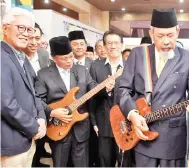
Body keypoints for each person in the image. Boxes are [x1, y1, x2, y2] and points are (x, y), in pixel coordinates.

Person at [118, 8, 189, 167]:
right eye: (160, 36)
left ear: (178, 31)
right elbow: (123, 89)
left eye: (170, 35)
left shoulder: (188, 58)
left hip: (173, 138)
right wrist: (132, 114)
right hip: (142, 133)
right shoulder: (138, 55)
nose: (166, 41)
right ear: (151, 33)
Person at [35, 36, 115, 167]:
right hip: (57, 127)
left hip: (80, 128)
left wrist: (106, 88)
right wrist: (52, 112)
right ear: (53, 58)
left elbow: (94, 88)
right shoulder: (43, 74)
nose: (69, 61)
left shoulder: (82, 70)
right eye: (64, 58)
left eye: (71, 56)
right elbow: (38, 99)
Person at [1, 7, 46, 167]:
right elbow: (6, 104)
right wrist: (34, 127)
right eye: (20, 28)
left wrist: (41, 118)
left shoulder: (22, 58)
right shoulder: (2, 56)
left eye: (29, 30)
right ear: (5, 28)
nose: (25, 33)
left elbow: (34, 93)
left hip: (26, 140)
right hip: (10, 142)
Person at [90, 30, 134, 167]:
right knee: (105, 160)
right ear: (103, 46)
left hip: (125, 122)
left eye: (116, 43)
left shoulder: (130, 66)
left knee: (124, 161)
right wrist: (94, 122)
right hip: (103, 122)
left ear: (121, 45)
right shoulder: (95, 67)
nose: (113, 46)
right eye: (109, 43)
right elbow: (91, 95)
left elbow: (136, 94)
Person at [22, 22, 52, 167]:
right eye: (30, 37)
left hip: (41, 102)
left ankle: (37, 160)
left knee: (40, 135)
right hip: (23, 105)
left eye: (37, 38)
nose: (34, 42)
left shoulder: (43, 55)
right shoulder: (17, 56)